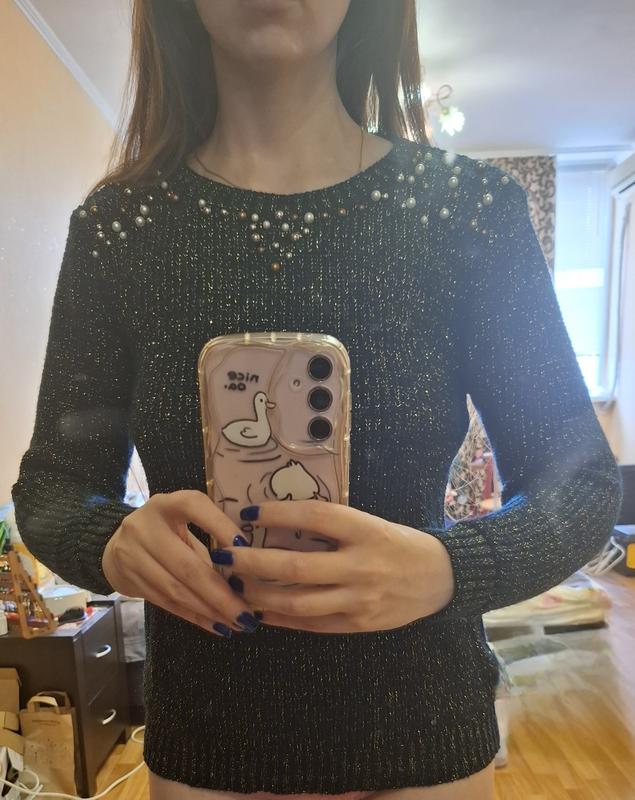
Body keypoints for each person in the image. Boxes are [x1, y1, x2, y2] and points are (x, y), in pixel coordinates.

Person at [11, 0, 622, 798]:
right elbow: (52, 485)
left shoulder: (468, 213)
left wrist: (450, 567)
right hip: (209, 751)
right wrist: (113, 542)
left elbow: (580, 480)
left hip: (426, 742)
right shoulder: (118, 231)